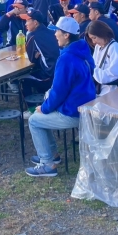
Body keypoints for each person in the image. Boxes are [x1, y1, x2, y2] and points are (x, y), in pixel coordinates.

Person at [26, 17, 96, 177]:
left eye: (57, 31)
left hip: (74, 112)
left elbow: (59, 91)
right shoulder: (82, 49)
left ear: (66, 35)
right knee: (40, 116)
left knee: (34, 120)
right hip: (85, 106)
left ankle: (48, 164)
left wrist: (44, 108)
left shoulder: (66, 58)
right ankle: (52, 155)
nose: (55, 34)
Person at [20, 10, 59, 97]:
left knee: (23, 80)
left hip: (49, 76)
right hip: (59, 72)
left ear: (35, 23)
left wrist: (37, 56)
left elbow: (32, 59)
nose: (25, 24)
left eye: (27, 21)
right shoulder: (52, 32)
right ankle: (42, 95)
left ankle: (32, 105)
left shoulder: (32, 36)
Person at [87, 20, 118, 96]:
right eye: (91, 39)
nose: (93, 41)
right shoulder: (98, 47)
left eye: (94, 38)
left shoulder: (114, 47)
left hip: (113, 92)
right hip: (101, 90)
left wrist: (92, 69)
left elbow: (114, 73)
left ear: (101, 33)